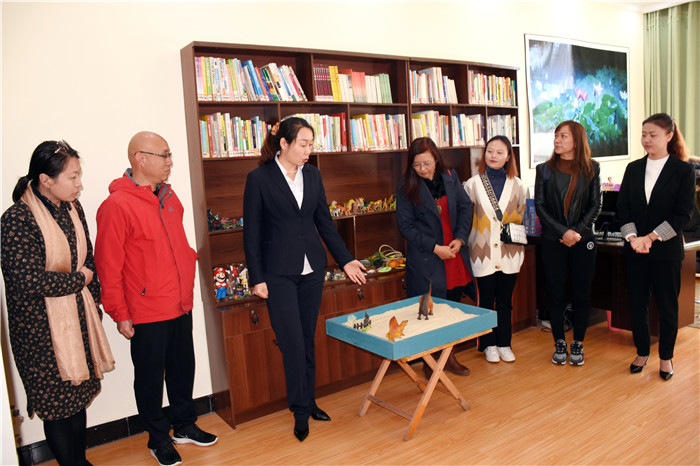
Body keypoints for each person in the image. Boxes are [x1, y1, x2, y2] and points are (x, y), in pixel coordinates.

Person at [94, 132, 217, 466]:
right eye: (164, 155)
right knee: (150, 379)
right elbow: (108, 265)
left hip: (179, 303)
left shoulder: (169, 197)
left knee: (183, 369)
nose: (170, 162)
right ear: (140, 158)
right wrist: (119, 312)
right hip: (146, 309)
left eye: (169, 155)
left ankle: (185, 425)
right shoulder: (117, 205)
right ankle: (158, 438)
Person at [243, 117, 367, 443]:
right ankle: (300, 411)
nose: (308, 150)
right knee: (293, 343)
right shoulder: (259, 179)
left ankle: (309, 401)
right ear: (284, 144)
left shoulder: (312, 175)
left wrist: (346, 259)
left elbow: (324, 222)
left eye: (311, 144)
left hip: (312, 271)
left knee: (307, 339)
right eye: (303, 144)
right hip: (278, 273)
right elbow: (251, 233)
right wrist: (257, 278)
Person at [1, 140, 114, 466]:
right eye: (72, 177)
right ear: (45, 180)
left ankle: (80, 461)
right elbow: (28, 281)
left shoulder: (72, 208)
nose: (79, 184)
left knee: (77, 401)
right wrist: (79, 281)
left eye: (79, 175)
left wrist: (94, 304)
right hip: (39, 333)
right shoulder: (17, 219)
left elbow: (88, 259)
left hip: (78, 321)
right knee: (56, 408)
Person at [617, 113, 694, 380]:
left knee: (667, 306)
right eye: (643, 134)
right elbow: (623, 208)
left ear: (669, 136)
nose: (646, 140)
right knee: (637, 303)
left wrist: (650, 238)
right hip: (635, 249)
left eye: (653, 135)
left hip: (666, 250)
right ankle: (641, 351)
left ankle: (666, 357)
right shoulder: (633, 168)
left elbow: (684, 215)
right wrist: (633, 239)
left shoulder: (683, 170)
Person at [396, 137, 474, 377]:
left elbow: (465, 207)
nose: (422, 169)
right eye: (417, 165)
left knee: (452, 309)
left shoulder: (450, 176)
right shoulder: (406, 185)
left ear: (436, 159)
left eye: (427, 163)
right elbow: (406, 227)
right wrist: (435, 247)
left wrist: (460, 238)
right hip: (428, 257)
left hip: (453, 253)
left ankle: (449, 356)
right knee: (429, 312)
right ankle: (431, 361)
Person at [535, 120, 601, 366]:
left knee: (582, 294)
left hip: (583, 241)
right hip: (553, 240)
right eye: (556, 135)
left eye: (563, 136)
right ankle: (559, 342)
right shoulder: (544, 170)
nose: (557, 140)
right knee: (555, 294)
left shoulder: (592, 168)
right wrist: (563, 232)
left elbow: (596, 205)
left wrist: (576, 232)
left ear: (577, 140)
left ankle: (578, 343)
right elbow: (540, 206)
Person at [464, 136, 526, 363]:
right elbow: (466, 219)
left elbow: (523, 217)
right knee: (485, 301)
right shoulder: (472, 185)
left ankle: (504, 343)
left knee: (505, 301)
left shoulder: (519, 185)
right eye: (490, 151)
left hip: (510, 252)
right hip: (482, 252)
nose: (494, 156)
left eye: (500, 152)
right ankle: (488, 344)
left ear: (508, 156)